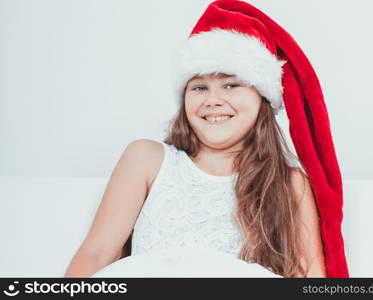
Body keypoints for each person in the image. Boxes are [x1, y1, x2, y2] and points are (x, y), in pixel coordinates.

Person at [65, 0, 348, 278]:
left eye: (231, 85)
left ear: (262, 98)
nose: (213, 100)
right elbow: (97, 252)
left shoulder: (288, 182)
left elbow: (309, 276)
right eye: (199, 87)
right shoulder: (147, 160)